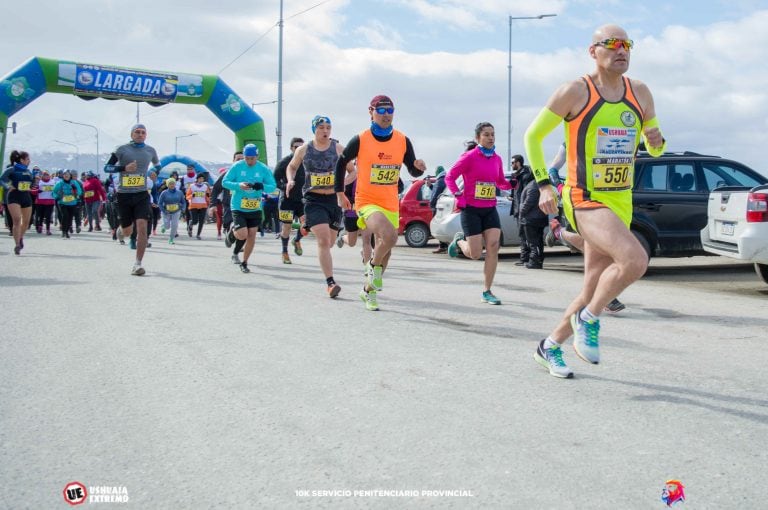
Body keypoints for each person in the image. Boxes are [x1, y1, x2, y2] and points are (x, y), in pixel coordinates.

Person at [525, 24, 666, 378]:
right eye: (613, 44)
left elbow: (654, 147)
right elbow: (533, 137)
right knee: (635, 259)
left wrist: (655, 140)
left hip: (620, 200)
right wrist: (544, 184)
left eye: (627, 45)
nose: (622, 51)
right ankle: (588, 319)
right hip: (583, 196)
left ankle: (550, 345)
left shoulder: (641, 93)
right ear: (593, 51)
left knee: (593, 287)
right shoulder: (575, 91)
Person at [334, 94, 426, 311]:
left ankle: (369, 292)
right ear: (371, 112)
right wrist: (340, 193)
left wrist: (418, 167)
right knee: (390, 236)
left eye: (390, 111)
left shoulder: (402, 140)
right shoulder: (361, 139)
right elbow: (341, 163)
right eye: (381, 110)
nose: (386, 115)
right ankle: (372, 268)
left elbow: (411, 168)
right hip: (367, 201)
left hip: (390, 202)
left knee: (387, 249)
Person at [445, 122, 511, 304]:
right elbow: (449, 177)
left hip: (490, 209)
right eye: (486, 135)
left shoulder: (497, 159)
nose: (491, 138)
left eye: (493, 134)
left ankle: (487, 291)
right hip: (471, 210)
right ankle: (459, 241)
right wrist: (458, 195)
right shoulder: (469, 157)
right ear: (478, 138)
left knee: (493, 246)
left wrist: (513, 184)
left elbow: (500, 182)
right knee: (475, 254)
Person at [287, 116, 350, 297]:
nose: (325, 131)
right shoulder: (304, 149)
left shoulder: (338, 148)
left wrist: (342, 184)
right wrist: (291, 180)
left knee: (329, 242)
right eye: (321, 127)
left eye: (328, 127)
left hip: (333, 200)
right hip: (313, 199)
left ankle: (307, 227)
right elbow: (291, 167)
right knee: (323, 240)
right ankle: (330, 283)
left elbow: (353, 171)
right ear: (314, 129)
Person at [104, 123, 161, 276]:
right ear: (131, 134)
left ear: (146, 135)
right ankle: (121, 232)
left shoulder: (150, 150)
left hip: (142, 194)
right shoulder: (121, 149)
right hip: (124, 195)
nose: (140, 134)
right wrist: (123, 168)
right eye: (137, 132)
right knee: (128, 231)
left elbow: (158, 164)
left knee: (142, 226)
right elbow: (107, 168)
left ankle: (137, 264)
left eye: (143, 132)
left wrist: (154, 172)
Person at [222, 144, 277, 273]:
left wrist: (261, 186)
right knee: (242, 234)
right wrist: (238, 185)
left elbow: (273, 186)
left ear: (257, 157)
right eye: (247, 158)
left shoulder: (263, 169)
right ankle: (232, 232)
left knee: (251, 236)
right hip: (238, 206)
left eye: (252, 158)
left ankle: (245, 262)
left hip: (255, 207)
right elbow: (225, 182)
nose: (249, 161)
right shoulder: (237, 166)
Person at [273, 138, 306, 264]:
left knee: (307, 224)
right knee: (287, 227)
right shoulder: (284, 162)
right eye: (296, 147)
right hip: (286, 199)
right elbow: (274, 180)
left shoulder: (307, 162)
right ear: (291, 148)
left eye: (301, 147)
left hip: (302, 200)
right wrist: (284, 186)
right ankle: (285, 252)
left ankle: (297, 240)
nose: (298, 149)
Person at [0, 150, 34, 254]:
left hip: (25, 196)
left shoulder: (29, 171)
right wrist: (8, 186)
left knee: (26, 222)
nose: (29, 161)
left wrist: (33, 183)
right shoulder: (12, 169)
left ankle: (20, 237)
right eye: (27, 159)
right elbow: (1, 179)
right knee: (17, 219)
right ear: (22, 160)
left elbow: (30, 184)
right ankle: (17, 245)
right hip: (14, 196)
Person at [211, 152, 243, 246]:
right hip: (229, 206)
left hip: (244, 206)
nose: (240, 161)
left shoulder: (249, 175)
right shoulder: (227, 175)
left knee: (243, 228)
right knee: (233, 224)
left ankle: (233, 239)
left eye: (242, 159)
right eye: (238, 159)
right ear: (233, 161)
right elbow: (216, 189)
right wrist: (212, 205)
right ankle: (230, 233)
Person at [518, 174, 548, 269]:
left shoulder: (533, 186)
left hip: (531, 219)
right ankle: (538, 260)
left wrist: (521, 213)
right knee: (538, 241)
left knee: (533, 242)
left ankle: (534, 261)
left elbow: (529, 202)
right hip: (540, 217)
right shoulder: (542, 185)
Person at [509, 155, 533, 266]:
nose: (511, 164)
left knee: (526, 235)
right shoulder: (516, 175)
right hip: (518, 208)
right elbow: (515, 191)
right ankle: (524, 258)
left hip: (524, 209)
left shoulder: (526, 175)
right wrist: (511, 197)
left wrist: (522, 208)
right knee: (522, 235)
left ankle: (526, 259)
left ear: (518, 162)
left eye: (513, 162)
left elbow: (527, 193)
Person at [52, 170, 79, 239]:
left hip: (72, 203)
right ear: (63, 176)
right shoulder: (59, 183)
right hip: (62, 203)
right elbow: (53, 192)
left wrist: (76, 192)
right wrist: (57, 197)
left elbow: (80, 191)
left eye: (67, 174)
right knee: (65, 215)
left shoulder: (74, 183)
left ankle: (66, 231)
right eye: (64, 174)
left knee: (70, 217)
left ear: (70, 175)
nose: (66, 175)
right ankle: (64, 231)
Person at [158, 177, 186, 244]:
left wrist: (183, 209)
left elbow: (183, 202)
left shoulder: (179, 192)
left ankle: (171, 239)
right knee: (167, 226)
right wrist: (164, 211)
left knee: (174, 225)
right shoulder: (164, 193)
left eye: (173, 183)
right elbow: (160, 203)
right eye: (170, 184)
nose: (172, 185)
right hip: (166, 211)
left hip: (176, 211)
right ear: (167, 185)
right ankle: (164, 226)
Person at [428, 165, 448, 253]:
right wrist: (430, 186)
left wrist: (431, 204)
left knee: (438, 227)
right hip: (444, 206)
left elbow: (435, 194)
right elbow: (438, 191)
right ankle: (444, 245)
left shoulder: (439, 181)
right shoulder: (445, 180)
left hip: (438, 207)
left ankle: (442, 246)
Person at [186, 173, 210, 239]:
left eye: (202, 178)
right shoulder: (192, 186)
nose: (201, 180)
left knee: (201, 221)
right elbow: (187, 196)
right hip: (194, 205)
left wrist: (208, 201)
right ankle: (190, 225)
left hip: (203, 205)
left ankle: (198, 235)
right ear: (197, 179)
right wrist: (192, 196)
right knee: (195, 221)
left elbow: (208, 195)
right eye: (200, 178)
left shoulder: (205, 187)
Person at [35, 170, 56, 235]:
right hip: (40, 201)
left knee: (48, 216)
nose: (46, 176)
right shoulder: (39, 182)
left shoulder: (53, 182)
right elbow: (33, 190)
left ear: (49, 175)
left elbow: (56, 190)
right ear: (42, 176)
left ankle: (48, 229)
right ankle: (40, 226)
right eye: (44, 175)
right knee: (40, 216)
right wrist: (37, 191)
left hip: (50, 201)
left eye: (47, 175)